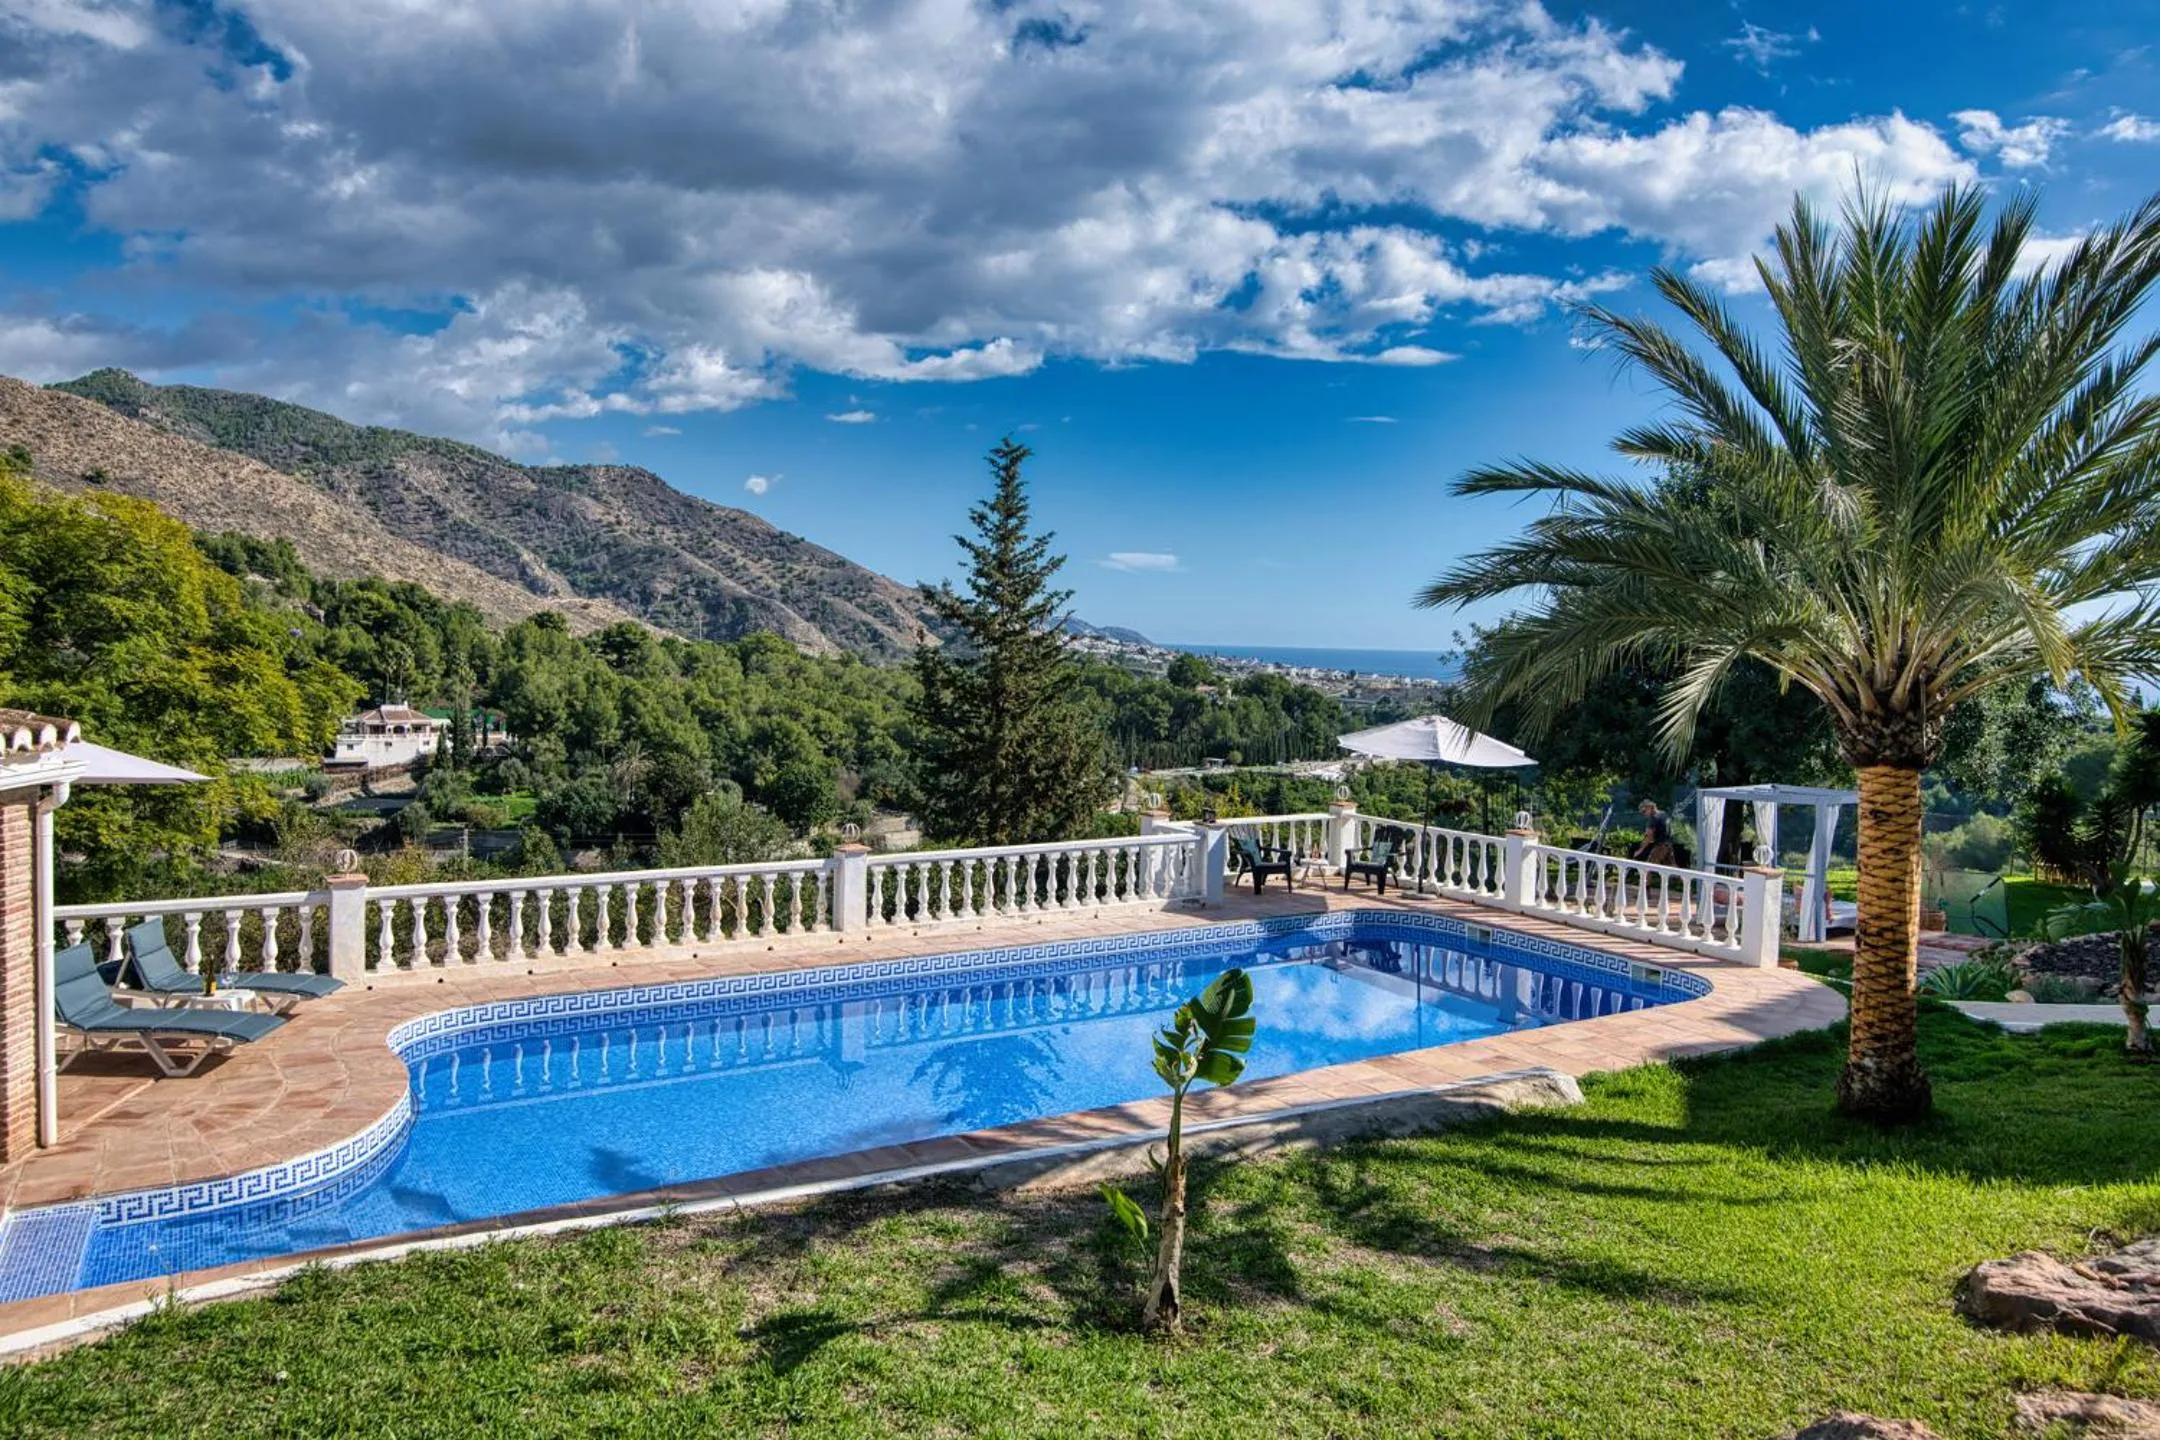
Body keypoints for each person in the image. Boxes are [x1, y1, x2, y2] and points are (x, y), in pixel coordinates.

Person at [1631, 799, 1677, 865]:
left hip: (1660, 846)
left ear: (1649, 808)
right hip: (1669, 845)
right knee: (1672, 870)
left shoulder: (1653, 819)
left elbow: (1649, 837)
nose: (1644, 814)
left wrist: (1639, 850)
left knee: (1648, 868)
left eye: (1644, 811)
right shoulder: (1664, 814)